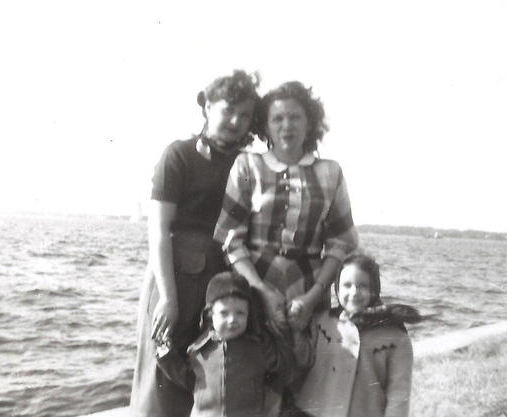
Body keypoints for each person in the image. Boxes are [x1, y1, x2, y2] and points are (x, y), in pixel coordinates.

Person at [130, 70, 260, 417]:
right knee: (161, 374)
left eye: (245, 114)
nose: (236, 120)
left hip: (225, 283)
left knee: (212, 376)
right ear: (207, 107)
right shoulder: (179, 155)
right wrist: (169, 298)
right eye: (228, 109)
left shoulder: (249, 166)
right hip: (177, 278)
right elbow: (159, 230)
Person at [213, 81, 358, 333]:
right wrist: (261, 291)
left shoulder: (330, 174)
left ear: (310, 122)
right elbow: (231, 238)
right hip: (252, 290)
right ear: (266, 126)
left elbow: (341, 242)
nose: (286, 125)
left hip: (311, 291)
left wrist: (313, 296)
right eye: (277, 118)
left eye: (295, 117)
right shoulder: (247, 168)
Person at [293, 253, 417, 417]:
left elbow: (399, 395)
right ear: (336, 287)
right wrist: (295, 330)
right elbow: (303, 360)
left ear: (374, 289)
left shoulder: (396, 336)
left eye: (363, 286)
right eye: (347, 285)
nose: (354, 292)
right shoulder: (322, 322)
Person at [156, 272, 295, 417]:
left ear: (249, 314)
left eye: (240, 313)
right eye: (224, 313)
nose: (232, 320)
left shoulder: (259, 347)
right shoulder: (198, 349)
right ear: (210, 314)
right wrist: (166, 357)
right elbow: (188, 379)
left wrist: (283, 333)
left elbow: (283, 367)